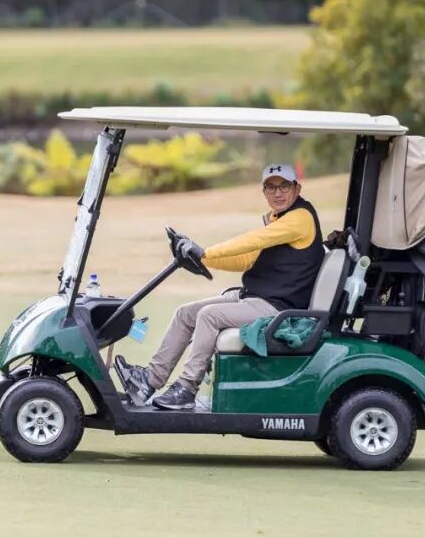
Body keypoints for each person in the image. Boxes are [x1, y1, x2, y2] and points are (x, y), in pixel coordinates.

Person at [114, 163, 324, 410]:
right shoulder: (278, 219)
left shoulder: (300, 218)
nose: (278, 193)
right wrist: (203, 258)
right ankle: (149, 380)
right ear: (264, 191)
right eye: (271, 187)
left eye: (284, 186)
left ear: (297, 188)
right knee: (185, 313)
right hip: (255, 297)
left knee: (209, 315)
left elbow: (253, 240)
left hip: (278, 307)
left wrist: (207, 252)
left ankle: (186, 388)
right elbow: (246, 259)